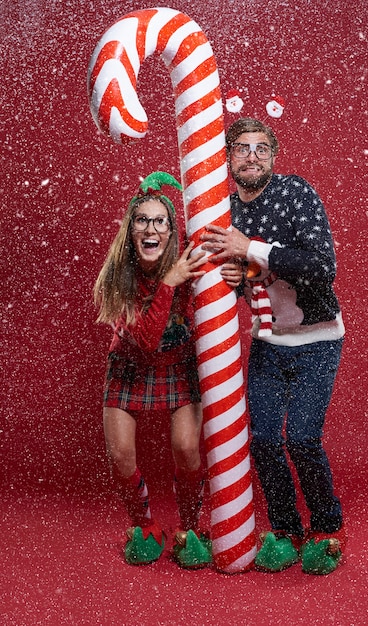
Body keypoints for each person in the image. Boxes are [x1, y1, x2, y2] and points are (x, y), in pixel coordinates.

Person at [201, 118, 346, 575]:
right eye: (242, 148)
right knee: (261, 440)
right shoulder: (224, 212)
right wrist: (237, 277)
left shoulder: (295, 193)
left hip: (318, 340)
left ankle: (325, 528)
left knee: (302, 438)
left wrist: (252, 250)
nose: (251, 156)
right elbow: (248, 277)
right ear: (228, 157)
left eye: (261, 149)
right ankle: (285, 529)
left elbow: (322, 266)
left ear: (273, 156)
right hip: (268, 342)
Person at [94, 171, 213, 569]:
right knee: (121, 455)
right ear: (131, 231)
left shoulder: (188, 269)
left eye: (159, 221)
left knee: (185, 449)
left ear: (170, 230)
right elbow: (145, 339)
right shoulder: (118, 277)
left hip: (177, 366)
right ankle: (143, 526)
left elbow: (210, 314)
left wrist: (227, 279)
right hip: (129, 367)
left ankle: (189, 527)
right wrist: (168, 283)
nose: (150, 228)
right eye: (141, 220)